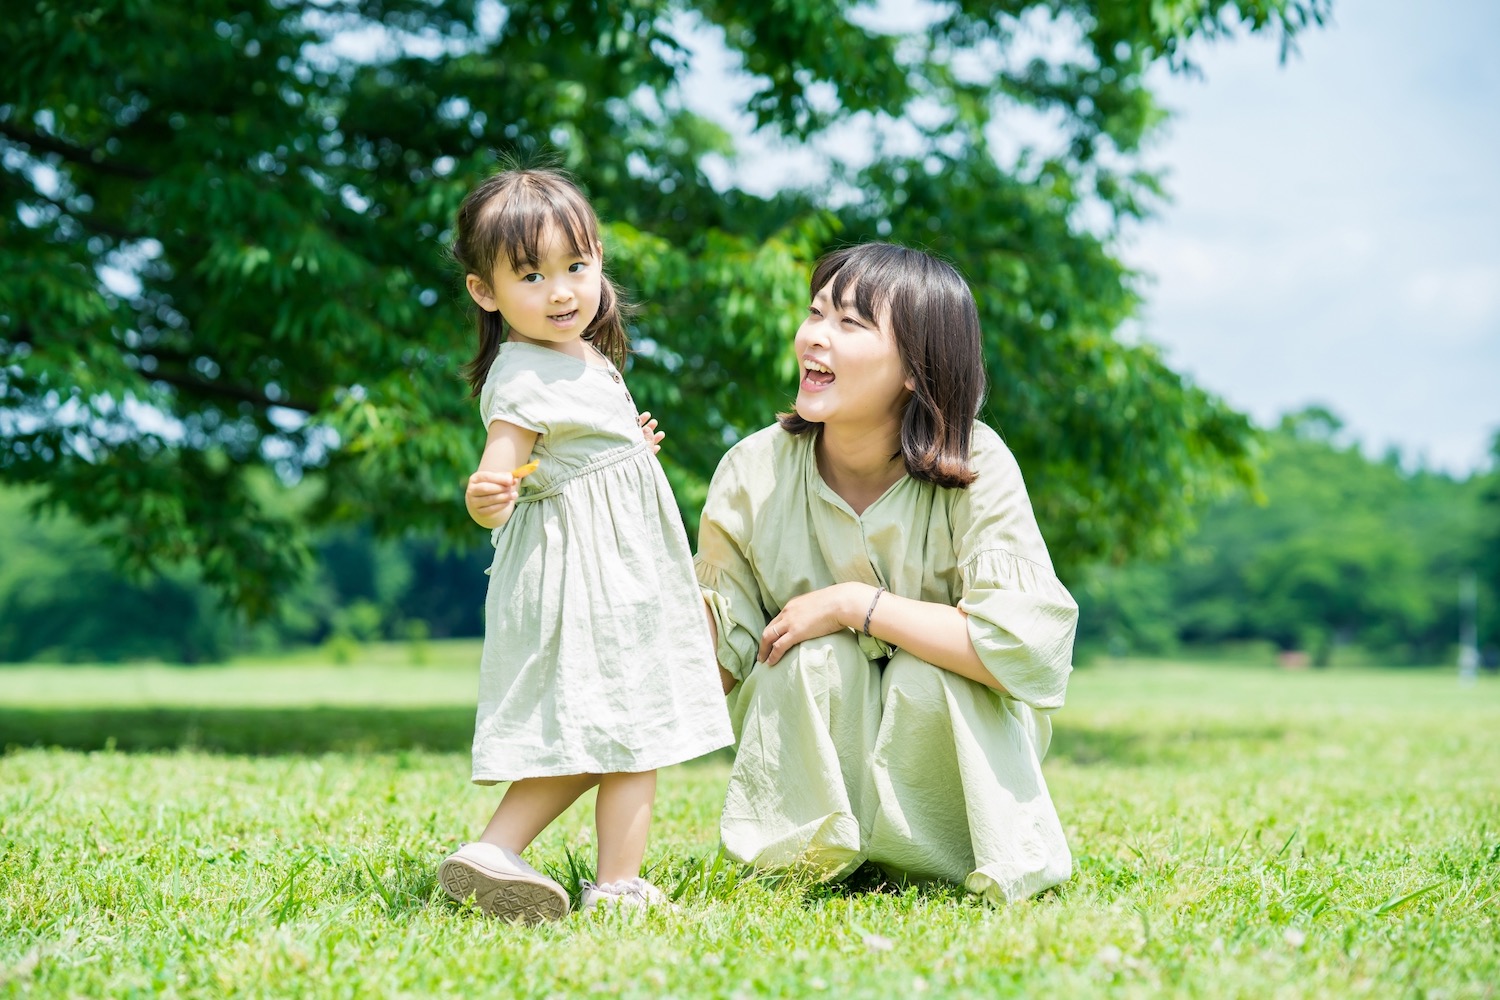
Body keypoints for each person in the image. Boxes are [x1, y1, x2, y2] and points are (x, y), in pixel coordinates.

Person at [695, 242, 1078, 904]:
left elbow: (1026, 651)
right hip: (812, 737)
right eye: (816, 313)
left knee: (926, 673)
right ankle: (803, 857)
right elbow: (720, 658)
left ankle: (934, 858)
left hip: (951, 729)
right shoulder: (752, 469)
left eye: (850, 324)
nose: (816, 337)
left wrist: (852, 604)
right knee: (812, 660)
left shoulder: (976, 463)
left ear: (914, 369)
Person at [437, 165, 733, 923]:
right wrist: (485, 495)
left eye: (577, 266)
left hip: (619, 566)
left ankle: (523, 856)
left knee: (632, 721)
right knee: (631, 724)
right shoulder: (522, 375)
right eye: (531, 275)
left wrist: (626, 448)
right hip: (587, 575)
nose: (562, 290)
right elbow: (498, 476)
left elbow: (578, 451)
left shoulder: (582, 354)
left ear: (599, 260)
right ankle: (598, 878)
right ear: (486, 293)